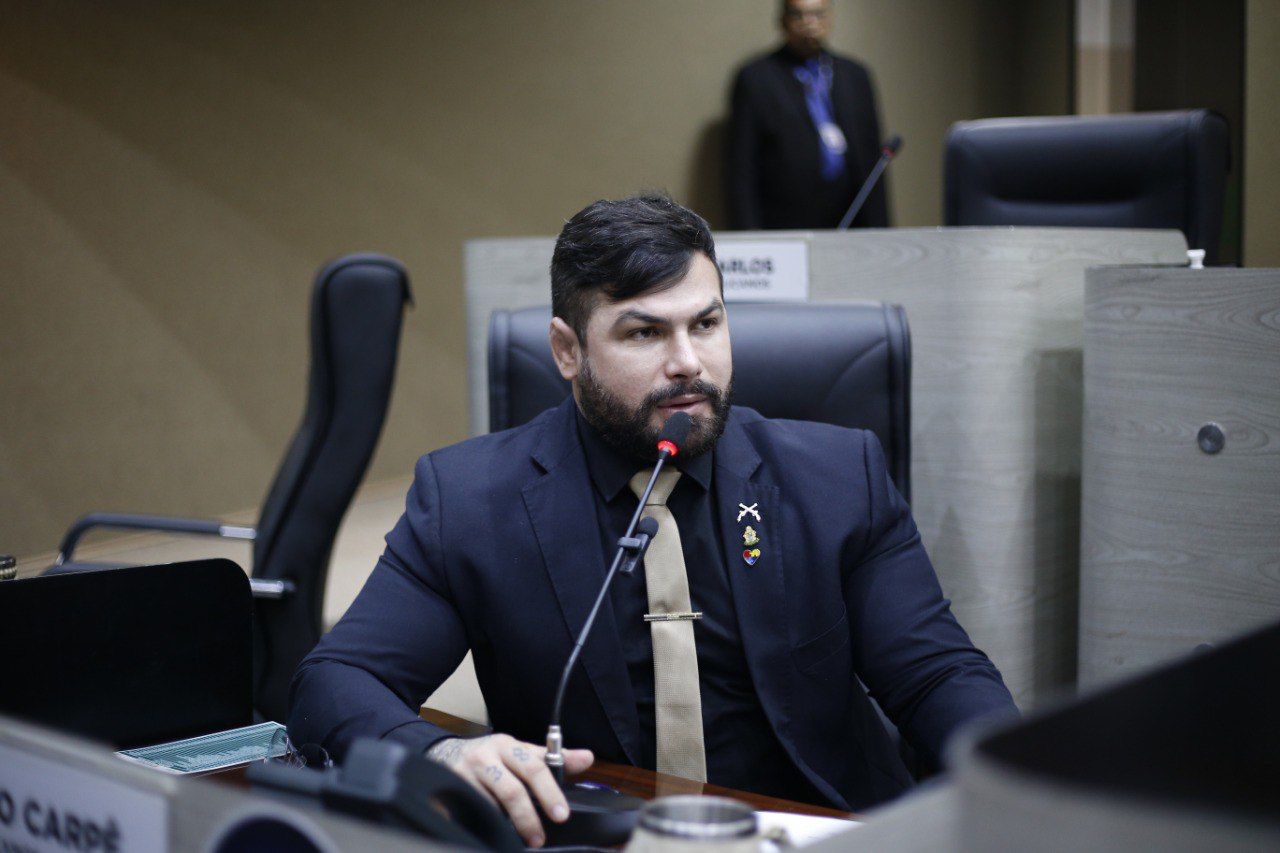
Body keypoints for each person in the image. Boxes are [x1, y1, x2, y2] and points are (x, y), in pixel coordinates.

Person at [289, 195, 1015, 848]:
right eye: (643, 333)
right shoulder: (470, 500)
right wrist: (440, 753)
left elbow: (935, 676)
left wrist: (1029, 788)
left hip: (817, 831)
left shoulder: (836, 476)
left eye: (707, 322)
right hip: (604, 837)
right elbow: (336, 679)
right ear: (568, 351)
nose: (688, 362)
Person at [727, 0, 889, 230]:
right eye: (799, 16)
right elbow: (742, 169)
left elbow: (873, 160)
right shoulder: (756, 78)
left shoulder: (855, 76)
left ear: (830, 18)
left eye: (817, 15)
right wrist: (750, 235)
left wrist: (880, 230)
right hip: (784, 222)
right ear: (783, 21)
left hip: (851, 218)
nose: (809, 23)